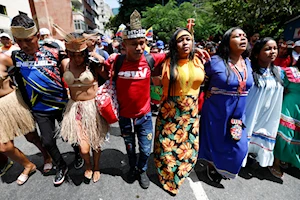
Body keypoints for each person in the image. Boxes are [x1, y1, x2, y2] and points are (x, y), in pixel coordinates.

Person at [1, 14, 83, 186]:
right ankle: (61, 165)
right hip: (39, 108)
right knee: (47, 141)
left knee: (70, 136)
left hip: (61, 104)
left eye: (28, 40)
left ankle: (78, 155)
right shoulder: (16, 57)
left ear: (37, 36)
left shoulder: (54, 52)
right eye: (19, 40)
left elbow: (71, 68)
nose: (24, 45)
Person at [104, 10, 167, 189]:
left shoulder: (150, 59)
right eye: (134, 44)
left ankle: (142, 170)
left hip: (145, 117)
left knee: (146, 150)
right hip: (124, 117)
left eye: (142, 43)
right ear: (125, 45)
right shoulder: (117, 61)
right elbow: (101, 69)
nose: (139, 48)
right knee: (130, 148)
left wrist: (195, 51)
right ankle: (133, 167)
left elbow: (172, 55)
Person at [153, 28, 205, 195]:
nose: (185, 43)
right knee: (167, 146)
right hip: (170, 111)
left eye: (188, 39)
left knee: (187, 146)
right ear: (174, 45)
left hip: (190, 112)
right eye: (180, 40)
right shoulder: (166, 60)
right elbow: (147, 60)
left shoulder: (198, 60)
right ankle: (169, 179)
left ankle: (180, 172)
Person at [199, 27, 253, 182]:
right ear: (227, 42)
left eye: (244, 35)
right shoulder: (214, 61)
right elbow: (203, 80)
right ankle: (211, 165)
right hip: (217, 110)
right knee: (215, 141)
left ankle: (225, 166)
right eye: (237, 36)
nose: (243, 38)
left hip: (238, 113)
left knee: (240, 146)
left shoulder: (248, 62)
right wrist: (206, 92)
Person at [59, 32, 109, 183]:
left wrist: (99, 58)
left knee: (96, 142)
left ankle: (96, 167)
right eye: (72, 54)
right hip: (75, 108)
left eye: (80, 54)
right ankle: (88, 165)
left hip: (93, 108)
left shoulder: (93, 64)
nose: (76, 59)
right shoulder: (65, 64)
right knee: (84, 148)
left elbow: (108, 79)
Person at [242, 38, 284, 168]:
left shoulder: (279, 72)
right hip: (250, 111)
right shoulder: (248, 70)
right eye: (267, 49)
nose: (272, 52)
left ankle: (254, 156)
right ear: (256, 53)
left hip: (268, 114)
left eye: (274, 48)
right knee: (246, 134)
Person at [0, 56, 37, 185]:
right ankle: (28, 165)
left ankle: (48, 156)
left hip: (12, 101)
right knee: (4, 147)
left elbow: (20, 78)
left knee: (31, 136)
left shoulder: (4, 59)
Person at [270, 58, 300, 179]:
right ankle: (275, 162)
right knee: (284, 134)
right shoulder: (292, 72)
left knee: (295, 137)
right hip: (290, 106)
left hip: (298, 109)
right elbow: (279, 85)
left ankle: (285, 159)